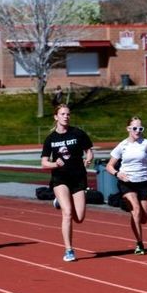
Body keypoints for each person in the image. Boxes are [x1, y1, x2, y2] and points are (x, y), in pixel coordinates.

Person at [41, 103, 94, 262]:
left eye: (68, 114)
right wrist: (54, 164)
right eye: (63, 114)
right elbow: (44, 162)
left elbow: (89, 151)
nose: (66, 117)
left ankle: (59, 203)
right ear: (56, 117)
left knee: (79, 217)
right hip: (60, 179)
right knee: (68, 213)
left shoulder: (78, 133)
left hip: (78, 177)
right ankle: (69, 250)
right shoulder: (51, 139)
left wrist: (89, 159)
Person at [105, 115, 147, 255]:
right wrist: (118, 174)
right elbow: (109, 166)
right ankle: (139, 243)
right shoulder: (122, 145)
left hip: (143, 182)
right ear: (128, 129)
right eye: (135, 128)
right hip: (127, 183)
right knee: (136, 210)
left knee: (144, 217)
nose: (138, 131)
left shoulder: (146, 143)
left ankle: (135, 218)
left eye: (140, 128)